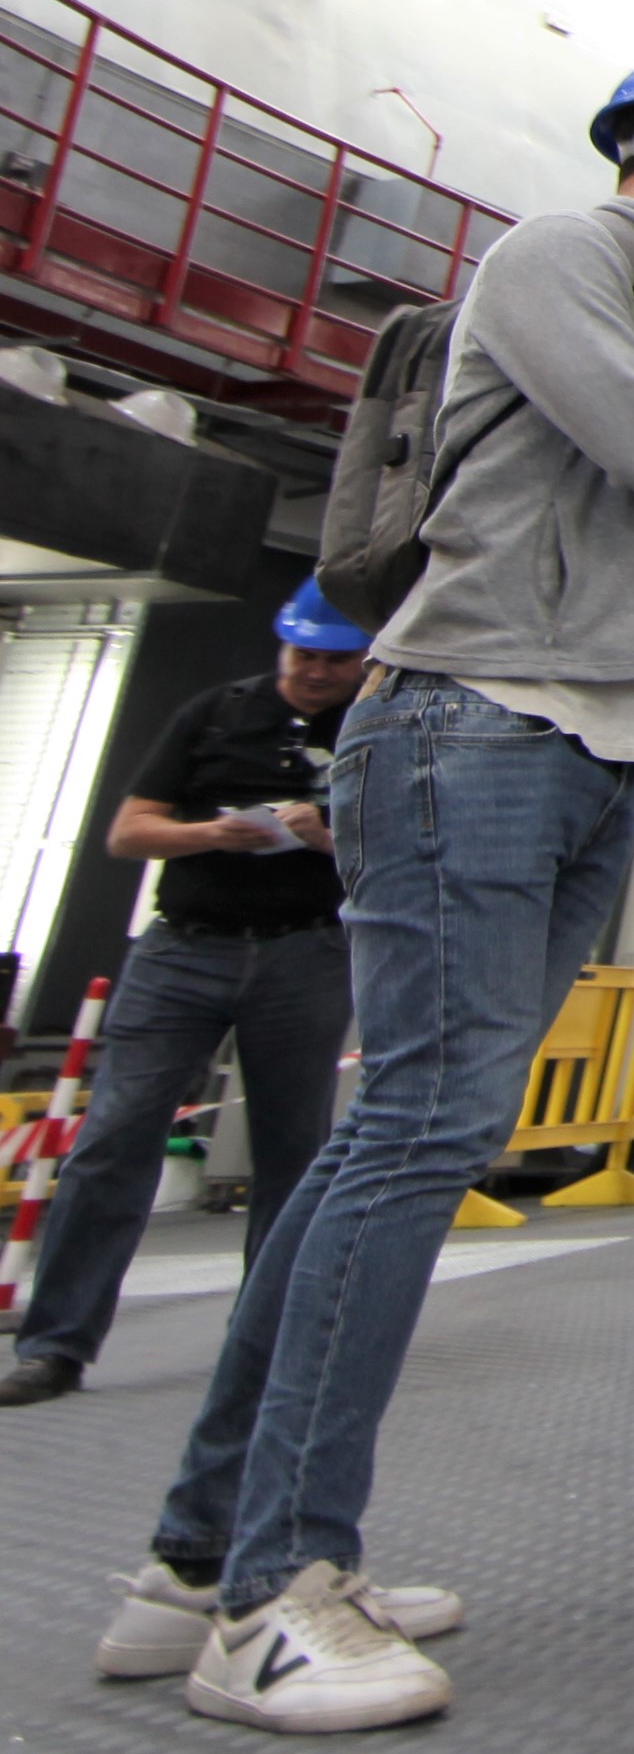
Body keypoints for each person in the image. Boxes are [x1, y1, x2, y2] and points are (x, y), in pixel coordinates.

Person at [109, 57, 634, 1733]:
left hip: (605, 739)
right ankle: (275, 1588)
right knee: (418, 1128)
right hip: (478, 714)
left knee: (389, 1135)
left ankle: (197, 1561)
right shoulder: (553, 252)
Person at [0, 580, 377, 1416]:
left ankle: (267, 1345)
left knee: (292, 1155)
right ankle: (56, 1345)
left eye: (334, 660)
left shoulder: (379, 732)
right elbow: (129, 831)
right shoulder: (214, 714)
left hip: (307, 953)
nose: (315, 672)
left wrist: (332, 834)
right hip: (183, 951)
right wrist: (214, 832)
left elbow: (413, 855)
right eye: (302, 655)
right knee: (112, 1140)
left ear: (365, 661)